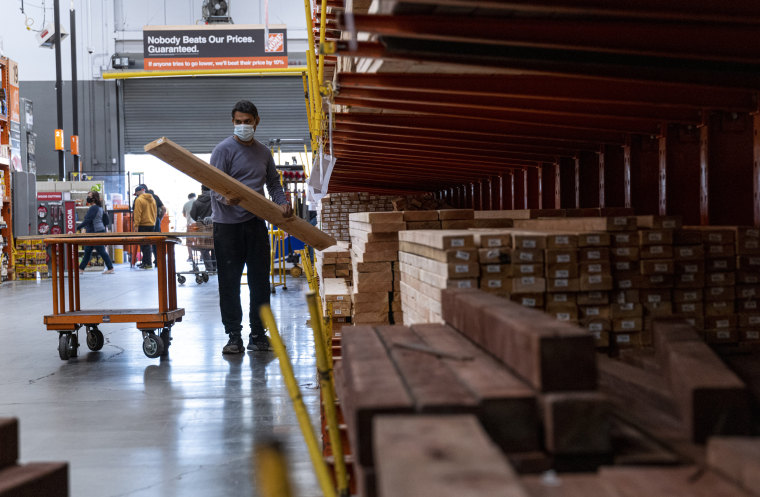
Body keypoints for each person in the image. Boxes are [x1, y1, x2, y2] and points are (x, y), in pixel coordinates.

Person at [210, 100, 293, 354]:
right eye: (238, 122)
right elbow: (212, 186)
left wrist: (282, 203)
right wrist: (225, 198)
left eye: (247, 122)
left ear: (257, 121)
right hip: (227, 227)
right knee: (229, 283)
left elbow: (273, 185)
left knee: (260, 283)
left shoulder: (263, 152)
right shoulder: (223, 150)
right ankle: (234, 336)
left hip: (256, 224)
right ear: (232, 122)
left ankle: (258, 335)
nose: (243, 126)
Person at [77, 191, 115, 274]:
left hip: (95, 232)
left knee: (100, 250)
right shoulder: (99, 207)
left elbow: (88, 220)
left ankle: (110, 268)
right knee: (88, 251)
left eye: (89, 196)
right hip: (95, 231)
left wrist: (77, 227)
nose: (88, 198)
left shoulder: (93, 208)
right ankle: (81, 269)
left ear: (94, 198)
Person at [189, 185, 216, 271]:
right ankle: (215, 266)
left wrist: (200, 219)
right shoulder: (215, 200)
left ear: (202, 190)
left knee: (204, 248)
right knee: (214, 245)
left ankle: (209, 267)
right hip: (214, 226)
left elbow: (192, 215)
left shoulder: (197, 202)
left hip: (202, 228)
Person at [133, 184, 157, 269]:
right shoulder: (152, 199)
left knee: (144, 245)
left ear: (139, 192)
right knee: (148, 244)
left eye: (136, 194)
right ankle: (145, 262)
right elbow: (155, 212)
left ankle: (148, 263)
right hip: (151, 224)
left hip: (142, 225)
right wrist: (153, 222)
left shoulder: (139, 200)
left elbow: (137, 213)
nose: (136, 195)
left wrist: (136, 226)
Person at [147, 187, 167, 266]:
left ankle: (147, 261)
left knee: (146, 241)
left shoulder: (143, 198)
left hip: (147, 221)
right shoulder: (155, 197)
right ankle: (157, 261)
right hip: (156, 220)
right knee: (157, 240)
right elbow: (164, 208)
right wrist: (160, 218)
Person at [182, 192, 197, 262]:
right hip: (199, 224)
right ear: (195, 196)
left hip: (190, 224)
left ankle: (190, 256)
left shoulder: (186, 204)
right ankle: (202, 256)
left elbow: (184, 215)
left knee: (189, 241)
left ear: (189, 198)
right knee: (200, 240)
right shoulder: (198, 202)